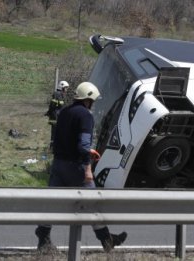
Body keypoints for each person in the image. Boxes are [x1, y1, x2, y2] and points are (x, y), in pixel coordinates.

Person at [35, 82, 127, 253]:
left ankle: (43, 236)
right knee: (92, 203)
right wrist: (88, 167)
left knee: (52, 202)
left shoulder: (64, 112)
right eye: (93, 100)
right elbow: (83, 145)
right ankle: (107, 240)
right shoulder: (85, 115)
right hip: (76, 167)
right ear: (89, 98)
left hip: (58, 164)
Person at [45, 80, 69, 147]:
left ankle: (56, 145)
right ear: (62, 87)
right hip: (55, 116)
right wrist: (49, 112)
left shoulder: (61, 94)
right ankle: (52, 146)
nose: (66, 89)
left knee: (58, 132)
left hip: (59, 116)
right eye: (66, 88)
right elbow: (53, 105)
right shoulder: (57, 94)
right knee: (54, 132)